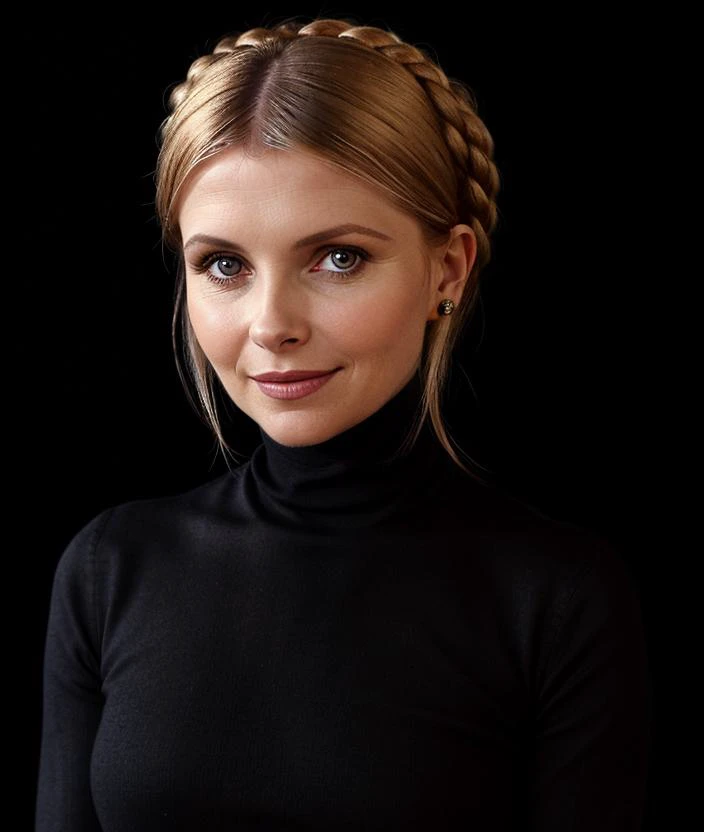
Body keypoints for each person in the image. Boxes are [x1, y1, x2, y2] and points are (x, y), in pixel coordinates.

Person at [35, 16, 652, 831]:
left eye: (337, 258)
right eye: (224, 265)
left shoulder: (554, 602)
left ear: (449, 268)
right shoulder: (110, 571)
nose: (271, 324)